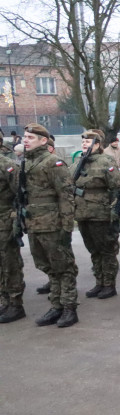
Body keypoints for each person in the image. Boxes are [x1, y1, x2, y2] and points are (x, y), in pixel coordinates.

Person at [21, 124, 80, 327]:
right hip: (35, 223)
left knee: (63, 267)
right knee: (48, 267)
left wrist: (67, 226)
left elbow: (66, 196)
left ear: (43, 140)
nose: (25, 140)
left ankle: (69, 308)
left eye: (30, 137)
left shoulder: (53, 162)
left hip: (52, 224)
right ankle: (56, 306)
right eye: (24, 136)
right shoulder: (27, 162)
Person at [74, 130, 120, 300]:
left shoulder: (105, 161)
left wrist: (113, 211)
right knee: (93, 250)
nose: (84, 144)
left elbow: (116, 187)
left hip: (100, 213)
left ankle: (109, 284)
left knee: (105, 250)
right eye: (83, 142)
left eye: (88, 142)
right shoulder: (80, 162)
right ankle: (99, 282)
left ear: (98, 144)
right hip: (82, 213)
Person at [0, 136, 25, 323]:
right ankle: (4, 300)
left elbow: (20, 194)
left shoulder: (8, 166)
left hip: (5, 220)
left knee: (10, 262)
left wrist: (16, 220)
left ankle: (16, 303)